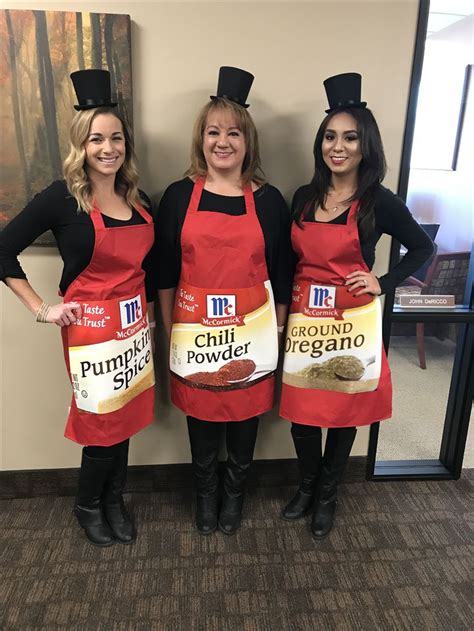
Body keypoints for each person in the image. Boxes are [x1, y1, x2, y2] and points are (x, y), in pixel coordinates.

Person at [0, 69, 156, 547]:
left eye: (115, 138)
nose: (107, 148)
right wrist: (41, 308)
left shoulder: (138, 198)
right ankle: (88, 503)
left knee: (125, 413)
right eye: (96, 140)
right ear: (80, 145)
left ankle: (114, 500)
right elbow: (3, 249)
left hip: (133, 328)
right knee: (100, 419)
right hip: (89, 331)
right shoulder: (62, 198)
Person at [279, 73, 434, 539]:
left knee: (344, 412)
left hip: (353, 322)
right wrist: (284, 318)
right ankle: (307, 485)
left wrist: (381, 282)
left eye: (349, 137)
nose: (337, 147)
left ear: (365, 145)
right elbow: (288, 263)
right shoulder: (303, 198)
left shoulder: (378, 202)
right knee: (303, 411)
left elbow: (422, 248)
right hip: (307, 319)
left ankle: (328, 493)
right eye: (330, 136)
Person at [156, 66, 292, 535]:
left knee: (246, 416)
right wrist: (171, 328)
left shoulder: (270, 200)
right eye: (213, 131)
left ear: (247, 141)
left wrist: (276, 329)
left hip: (253, 332)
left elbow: (282, 271)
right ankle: (205, 494)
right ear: (201, 139)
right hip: (194, 332)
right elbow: (165, 271)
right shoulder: (177, 197)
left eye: (233, 132)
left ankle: (234, 494)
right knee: (201, 416)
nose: (223, 141)